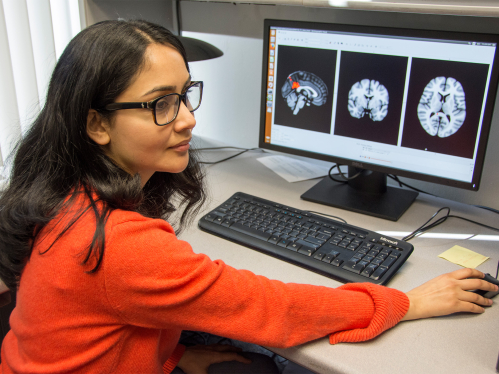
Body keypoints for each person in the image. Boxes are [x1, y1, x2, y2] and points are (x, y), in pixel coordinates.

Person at [0, 19, 496, 374]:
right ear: (96, 124)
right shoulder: (117, 245)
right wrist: (406, 302)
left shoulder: (61, 194)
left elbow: (96, 323)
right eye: (161, 104)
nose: (188, 119)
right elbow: (274, 310)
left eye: (185, 94)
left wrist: (169, 355)